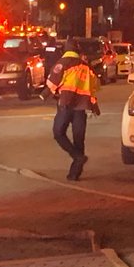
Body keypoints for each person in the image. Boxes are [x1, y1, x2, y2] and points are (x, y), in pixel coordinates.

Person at [46, 38, 101, 180]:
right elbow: (95, 85)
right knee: (79, 140)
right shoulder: (86, 66)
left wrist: (52, 93)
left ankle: (77, 157)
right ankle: (74, 173)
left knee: (58, 133)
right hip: (81, 108)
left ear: (65, 49)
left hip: (66, 105)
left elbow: (52, 83)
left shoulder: (63, 63)